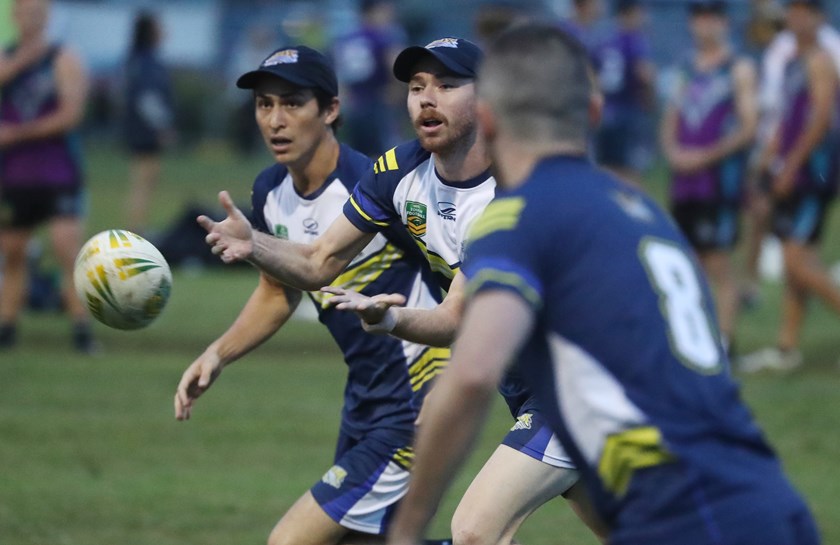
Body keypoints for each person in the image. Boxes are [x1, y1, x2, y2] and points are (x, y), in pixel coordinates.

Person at [385, 22, 821, 545]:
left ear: (490, 121)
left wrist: (407, 530)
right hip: (763, 496)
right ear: (592, 115)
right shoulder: (639, 209)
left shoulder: (518, 217)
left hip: (693, 511)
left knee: (473, 531)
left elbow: (473, 373)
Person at [198, 37, 607, 545]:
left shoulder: (513, 192)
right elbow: (320, 260)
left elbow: (457, 318)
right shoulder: (397, 174)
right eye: (417, 87)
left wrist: (388, 319)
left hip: (586, 381)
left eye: (448, 85)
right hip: (527, 388)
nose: (426, 98)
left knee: (476, 531)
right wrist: (254, 244)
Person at [173, 45, 451, 545]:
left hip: (414, 400)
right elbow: (278, 292)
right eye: (264, 104)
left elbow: (455, 278)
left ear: (330, 110)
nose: (276, 120)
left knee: (290, 540)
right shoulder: (269, 191)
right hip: (365, 398)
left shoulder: (378, 185)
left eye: (292, 103)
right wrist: (218, 353)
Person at [739, 0, 840, 373]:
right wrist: (768, 158)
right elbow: (785, 118)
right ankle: (787, 346)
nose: (797, 18)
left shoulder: (820, 60)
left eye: (805, 11)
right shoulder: (790, 60)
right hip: (791, 170)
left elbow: (820, 119)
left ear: (819, 18)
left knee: (796, 262)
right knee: (796, 259)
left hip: (812, 175)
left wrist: (791, 165)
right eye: (793, 10)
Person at [660, 0, 758, 352]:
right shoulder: (685, 68)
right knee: (688, 263)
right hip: (684, 182)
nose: (704, 25)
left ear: (723, 22)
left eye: (711, 17)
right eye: (698, 17)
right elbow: (671, 117)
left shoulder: (738, 68)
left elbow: (748, 127)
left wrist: (705, 156)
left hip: (718, 182)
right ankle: (698, 340)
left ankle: (725, 344)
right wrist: (672, 152)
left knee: (718, 264)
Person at [0, 0, 94, 352]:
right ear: (14, 15)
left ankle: (82, 328)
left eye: (38, 10)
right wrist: (21, 61)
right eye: (25, 10)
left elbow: (71, 114)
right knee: (12, 253)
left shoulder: (64, 59)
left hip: (57, 172)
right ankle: (7, 326)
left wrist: (17, 133)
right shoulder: (7, 58)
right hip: (14, 175)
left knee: (66, 248)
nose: (32, 16)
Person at [123, 10, 175, 235]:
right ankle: (136, 227)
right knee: (144, 180)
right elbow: (148, 98)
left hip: (137, 128)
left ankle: (138, 224)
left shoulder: (135, 59)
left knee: (143, 179)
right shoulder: (148, 62)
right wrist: (162, 126)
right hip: (146, 130)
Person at [331, 0, 405, 158]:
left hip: (355, 103)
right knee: (388, 154)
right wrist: (398, 87)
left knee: (360, 155)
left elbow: (339, 73)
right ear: (373, 12)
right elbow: (394, 63)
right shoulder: (382, 35)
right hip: (378, 98)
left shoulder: (346, 38)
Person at [593, 0, 656, 185]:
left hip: (605, 114)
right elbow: (645, 74)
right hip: (628, 113)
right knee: (630, 174)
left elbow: (593, 77)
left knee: (605, 171)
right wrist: (650, 100)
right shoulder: (635, 40)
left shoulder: (602, 40)